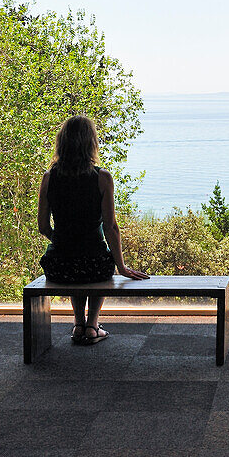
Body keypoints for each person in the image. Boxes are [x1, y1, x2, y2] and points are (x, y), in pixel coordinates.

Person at [38, 115, 148, 345]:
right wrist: (122, 266)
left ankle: (79, 324)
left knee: (74, 259)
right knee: (96, 259)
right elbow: (110, 227)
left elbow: (43, 227)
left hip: (59, 266)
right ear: (91, 143)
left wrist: (61, 241)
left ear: (62, 143)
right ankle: (92, 326)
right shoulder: (102, 178)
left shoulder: (49, 178)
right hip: (95, 266)